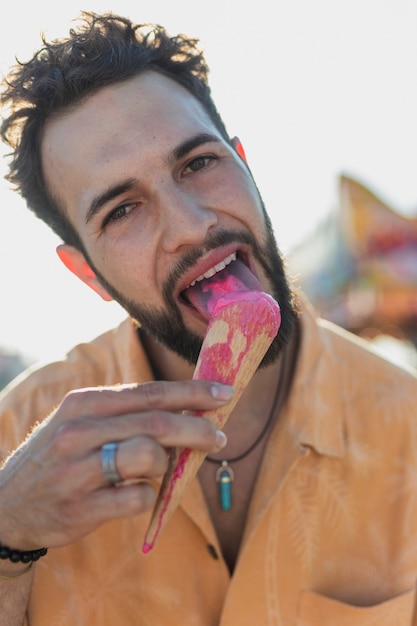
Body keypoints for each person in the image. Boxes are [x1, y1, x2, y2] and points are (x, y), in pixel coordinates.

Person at [0, 11, 416, 625]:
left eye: (198, 163)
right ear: (88, 274)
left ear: (244, 163)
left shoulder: (406, 429)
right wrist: (7, 539)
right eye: (122, 210)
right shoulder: (16, 441)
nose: (193, 225)